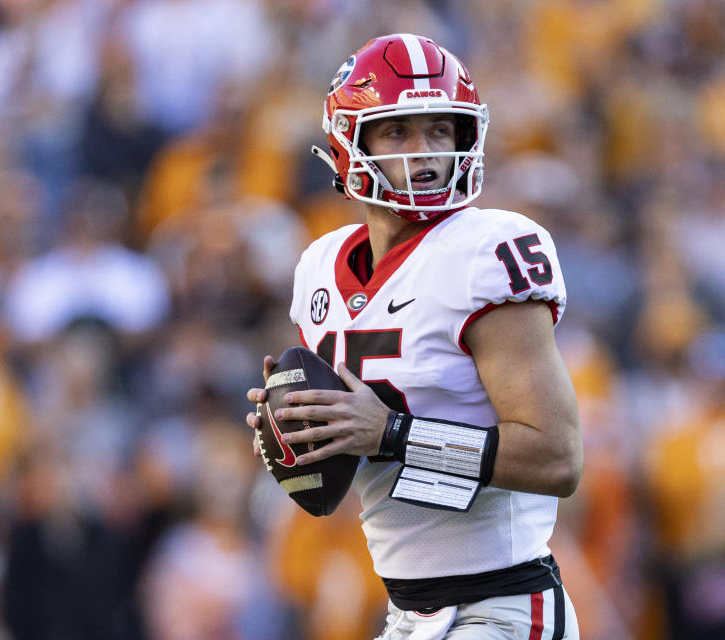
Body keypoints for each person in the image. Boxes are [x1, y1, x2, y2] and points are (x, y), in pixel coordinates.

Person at [245, 33, 583, 639]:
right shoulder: (319, 269)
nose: (425, 153)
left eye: (439, 130)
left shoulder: (487, 251)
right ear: (349, 144)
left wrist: (393, 433)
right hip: (410, 615)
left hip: (503, 604)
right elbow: (346, 453)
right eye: (398, 131)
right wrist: (296, 428)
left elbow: (557, 458)